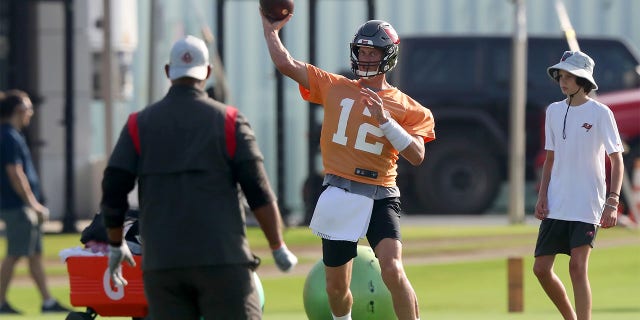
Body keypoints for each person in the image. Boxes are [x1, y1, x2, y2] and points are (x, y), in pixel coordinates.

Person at [101, 35, 298, 320]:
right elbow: (258, 190)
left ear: (169, 72)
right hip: (222, 258)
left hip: (162, 264)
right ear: (206, 73)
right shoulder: (230, 122)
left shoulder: (138, 124)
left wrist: (115, 242)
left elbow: (113, 187)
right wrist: (277, 246)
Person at [261, 14, 435, 320]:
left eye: (373, 53)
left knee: (393, 269)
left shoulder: (407, 106)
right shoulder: (335, 86)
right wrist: (270, 28)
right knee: (336, 289)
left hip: (381, 193)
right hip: (340, 191)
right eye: (362, 52)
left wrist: (386, 121)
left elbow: (417, 155)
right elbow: (286, 63)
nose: (366, 58)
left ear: (388, 57)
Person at [534, 51, 624, 320]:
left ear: (583, 79)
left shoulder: (601, 113)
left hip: (587, 203)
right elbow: (550, 158)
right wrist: (542, 197)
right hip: (556, 201)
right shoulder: (553, 111)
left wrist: (613, 201)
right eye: (561, 75)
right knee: (541, 269)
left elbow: (616, 160)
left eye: (569, 76)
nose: (563, 80)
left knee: (577, 266)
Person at [0, 90, 72, 314]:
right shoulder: (9, 136)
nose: (31, 114)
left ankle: (47, 301)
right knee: (15, 254)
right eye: (29, 109)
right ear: (19, 110)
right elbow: (15, 172)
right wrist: (32, 203)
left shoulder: (11, 135)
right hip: (18, 206)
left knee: (34, 255)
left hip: (20, 206)